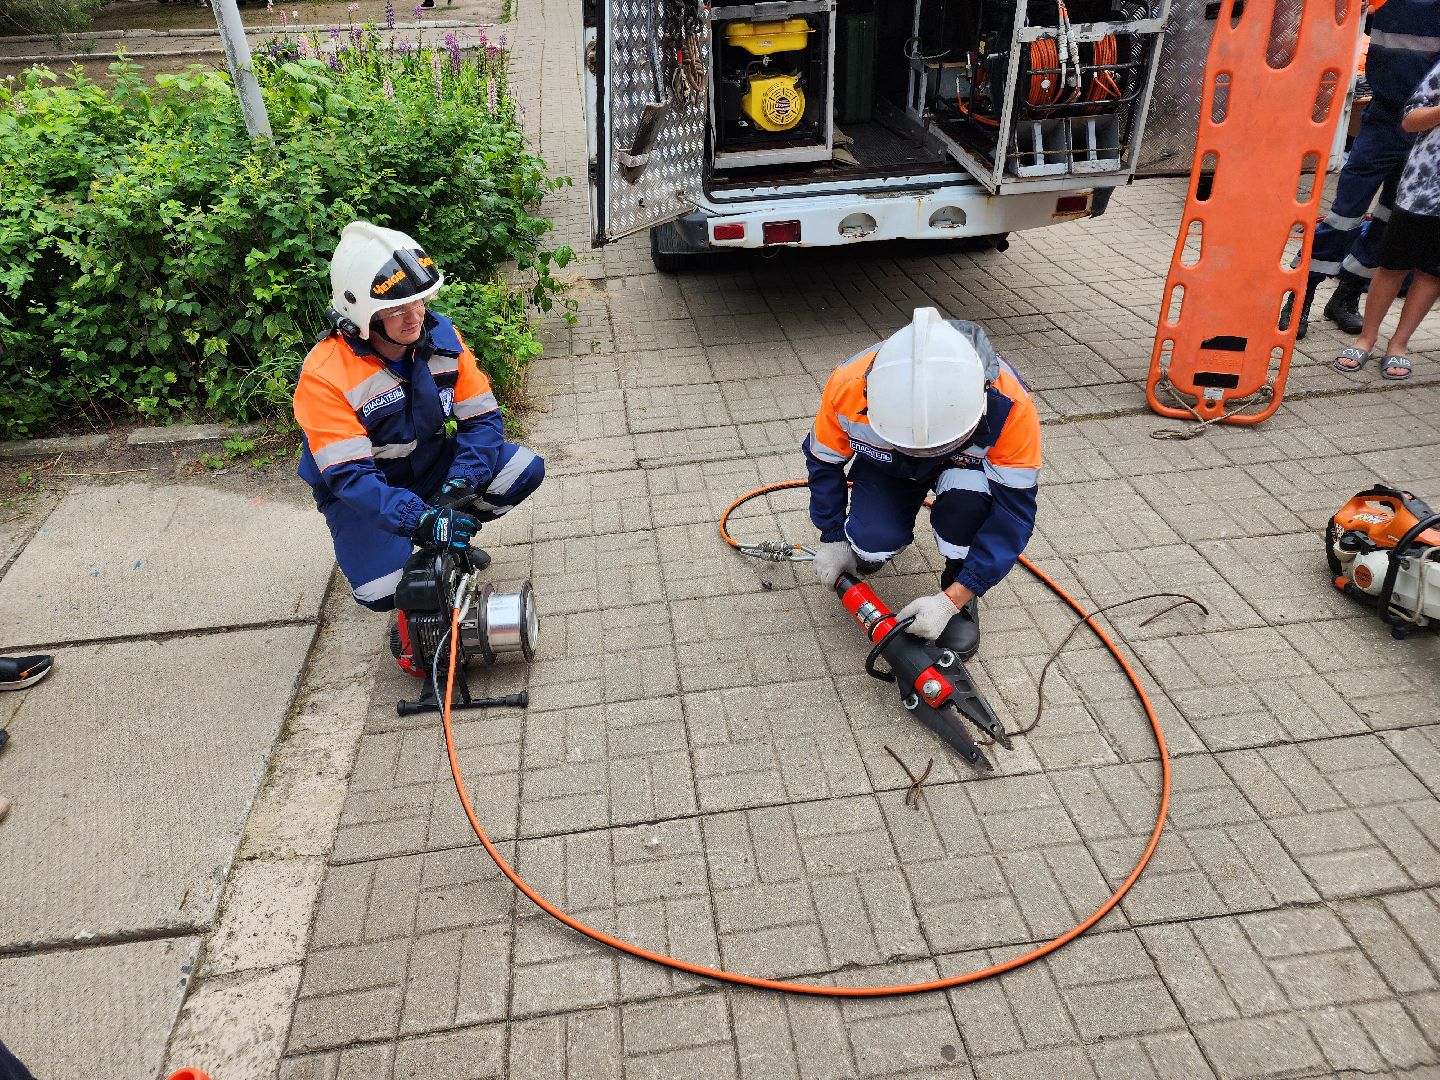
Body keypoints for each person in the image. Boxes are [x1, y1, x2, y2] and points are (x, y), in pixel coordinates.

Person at [294, 222, 545, 674]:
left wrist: (458, 485)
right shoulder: (325, 376)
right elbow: (351, 478)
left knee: (521, 469)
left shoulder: (440, 335)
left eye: (420, 302)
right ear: (362, 317)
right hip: (366, 494)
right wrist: (418, 519)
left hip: (431, 467)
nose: (415, 317)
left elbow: (484, 419)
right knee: (382, 589)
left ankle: (449, 545)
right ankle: (420, 545)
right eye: (397, 310)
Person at [804, 308, 1041, 657]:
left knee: (966, 513)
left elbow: (1013, 515)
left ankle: (959, 586)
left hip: (964, 470)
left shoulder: (1011, 407)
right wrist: (833, 536)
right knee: (870, 541)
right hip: (889, 466)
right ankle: (868, 548)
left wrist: (953, 599)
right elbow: (823, 464)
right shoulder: (847, 388)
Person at [1290, 0, 1440, 339]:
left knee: (1388, 223)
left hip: (1423, 135)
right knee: (1344, 216)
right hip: (1382, 123)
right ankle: (1299, 299)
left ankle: (1346, 297)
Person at [1334, 54, 1440, 380]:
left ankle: (1399, 344)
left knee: (1432, 273)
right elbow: (1410, 121)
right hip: (1421, 191)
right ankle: (1367, 337)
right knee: (1392, 265)